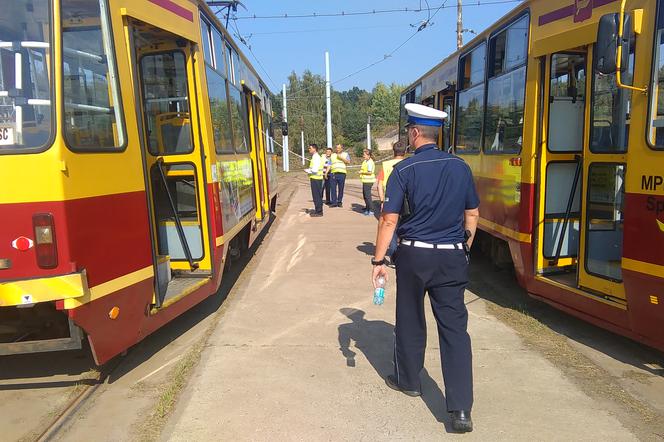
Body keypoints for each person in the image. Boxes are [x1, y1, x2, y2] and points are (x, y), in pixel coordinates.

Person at [370, 103, 480, 433]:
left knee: (410, 318)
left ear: (415, 133)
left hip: (414, 256)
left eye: (408, 131)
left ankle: (409, 380)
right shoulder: (461, 168)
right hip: (451, 256)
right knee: (455, 329)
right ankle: (460, 410)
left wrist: (378, 261)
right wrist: (463, 249)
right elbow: (472, 215)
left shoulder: (403, 171)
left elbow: (389, 219)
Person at [377, 140, 407, 256]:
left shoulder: (386, 165)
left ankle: (394, 254)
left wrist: (382, 200)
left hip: (390, 199)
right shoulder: (409, 163)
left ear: (393, 151)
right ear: (404, 152)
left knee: (392, 227)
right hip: (406, 201)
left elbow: (379, 185)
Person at [305, 143, 324, 217]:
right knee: (317, 196)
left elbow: (315, 170)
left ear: (314, 149)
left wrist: (307, 171)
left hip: (316, 178)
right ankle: (318, 210)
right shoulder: (315, 157)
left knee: (316, 196)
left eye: (310, 148)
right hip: (316, 178)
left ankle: (319, 212)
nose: (309, 150)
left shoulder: (316, 158)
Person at [359, 149, 376, 216]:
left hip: (369, 181)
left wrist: (362, 172)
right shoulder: (365, 161)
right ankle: (367, 208)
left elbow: (369, 172)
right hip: (365, 180)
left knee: (367, 196)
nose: (363, 156)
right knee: (365, 195)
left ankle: (371, 210)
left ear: (368, 155)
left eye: (364, 155)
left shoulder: (370, 162)